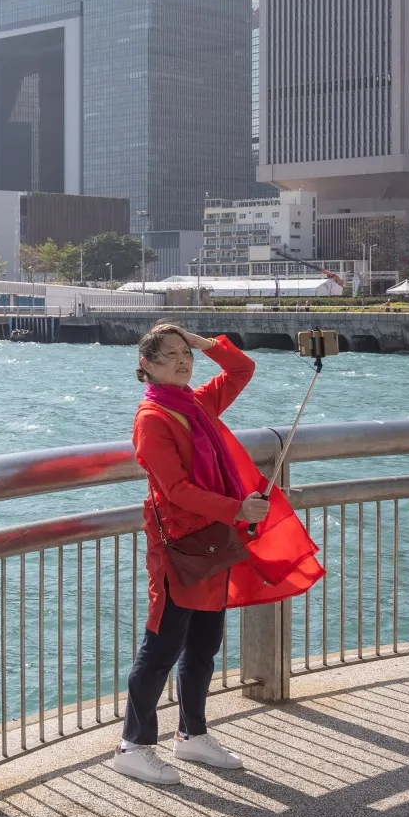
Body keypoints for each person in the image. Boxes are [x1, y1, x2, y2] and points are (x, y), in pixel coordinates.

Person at [111, 324, 267, 785]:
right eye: (170, 355)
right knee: (161, 647)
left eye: (186, 353)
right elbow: (175, 490)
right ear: (146, 365)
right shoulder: (153, 418)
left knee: (203, 646)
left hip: (212, 540)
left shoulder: (196, 404)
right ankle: (132, 745)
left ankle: (192, 734)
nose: (182, 361)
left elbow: (242, 369)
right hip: (178, 547)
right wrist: (237, 509)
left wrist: (203, 342)